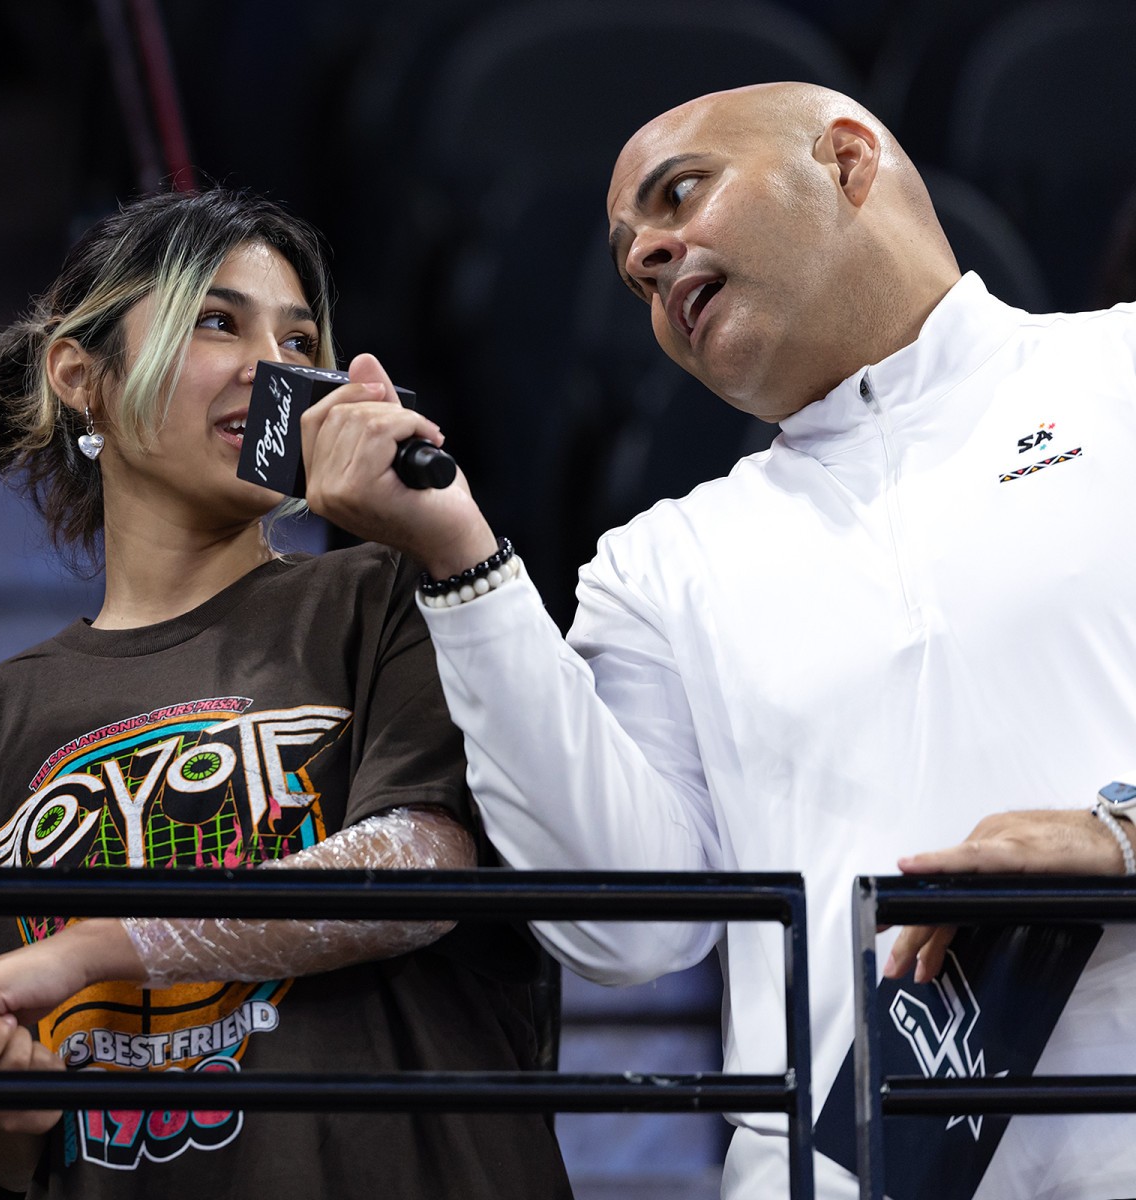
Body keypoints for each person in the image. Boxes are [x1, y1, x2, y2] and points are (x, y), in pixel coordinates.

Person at [298, 82, 1136, 1200]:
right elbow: (627, 928)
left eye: (680, 194)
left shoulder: (1118, 373)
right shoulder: (660, 563)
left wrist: (1120, 836)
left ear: (846, 161)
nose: (648, 259)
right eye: (628, 267)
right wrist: (460, 557)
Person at [0, 188, 570, 1199]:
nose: (272, 366)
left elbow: (419, 866)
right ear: (80, 377)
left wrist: (99, 949)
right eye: (217, 322)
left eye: (298, 340)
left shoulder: (394, 588)